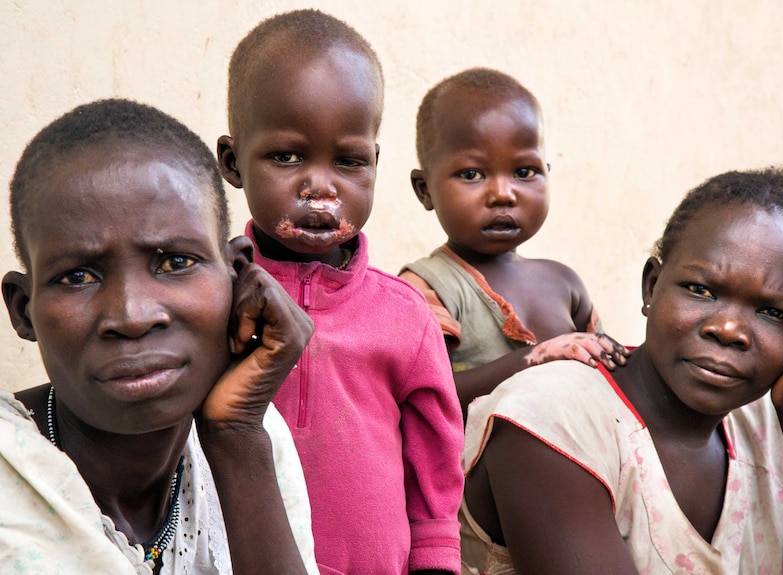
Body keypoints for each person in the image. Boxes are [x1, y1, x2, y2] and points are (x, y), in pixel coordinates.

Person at [459, 168, 783, 574]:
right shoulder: (551, 417)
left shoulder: (765, 423)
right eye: (701, 290)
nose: (728, 329)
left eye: (773, 312)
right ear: (651, 286)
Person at [0, 99, 317, 575]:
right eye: (78, 276)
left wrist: (235, 437)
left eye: (174, 263)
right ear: (24, 311)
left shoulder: (257, 433)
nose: (131, 316)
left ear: (238, 277)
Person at [216, 10, 463, 575]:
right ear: (232, 163)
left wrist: (434, 560)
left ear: (375, 164)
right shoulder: (215, 297)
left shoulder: (403, 314)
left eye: (348, 162)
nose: (321, 186)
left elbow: (436, 453)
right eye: (287, 157)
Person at [399, 68, 628, 417]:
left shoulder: (565, 284)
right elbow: (424, 399)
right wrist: (534, 358)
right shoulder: (429, 287)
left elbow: (611, 378)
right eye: (472, 174)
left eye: (524, 172)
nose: (503, 194)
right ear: (425, 189)